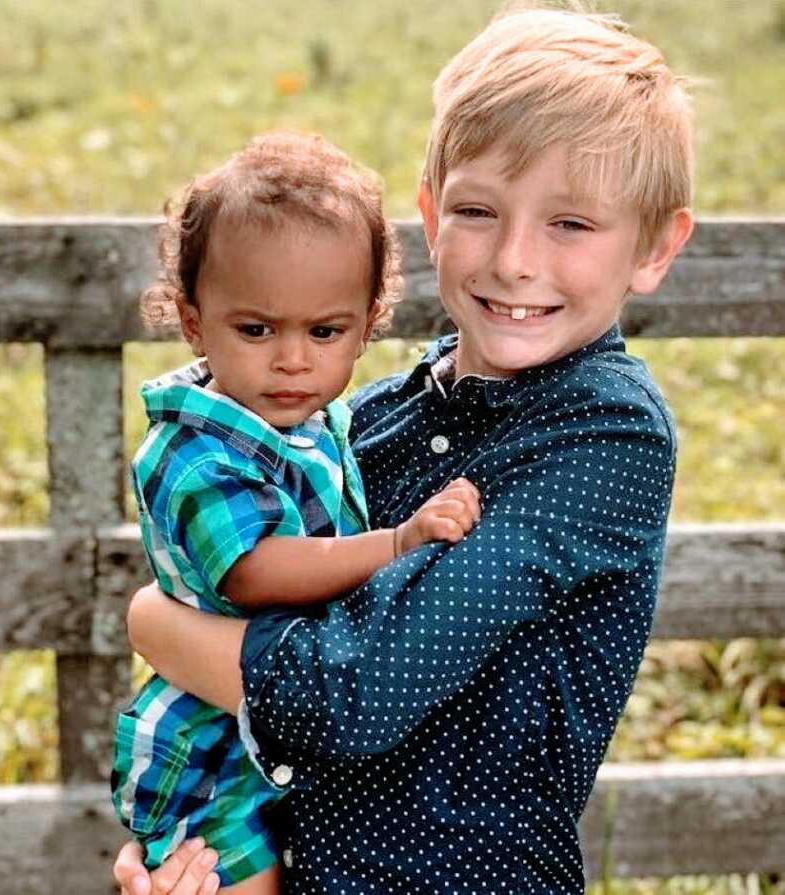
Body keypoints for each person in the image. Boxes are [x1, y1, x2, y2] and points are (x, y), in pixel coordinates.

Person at [115, 4, 696, 892]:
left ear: (654, 247)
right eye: (477, 209)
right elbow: (258, 602)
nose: (512, 260)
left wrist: (154, 623)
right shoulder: (372, 416)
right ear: (426, 214)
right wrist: (187, 854)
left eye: (570, 224)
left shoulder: (604, 436)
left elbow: (352, 692)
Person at [111, 131, 481, 895]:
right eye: (256, 329)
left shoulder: (315, 421)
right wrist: (397, 542)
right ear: (192, 319)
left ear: (368, 319)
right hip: (212, 747)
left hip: (279, 724)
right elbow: (257, 569)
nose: (292, 359)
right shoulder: (196, 450)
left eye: (324, 331)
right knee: (230, 875)